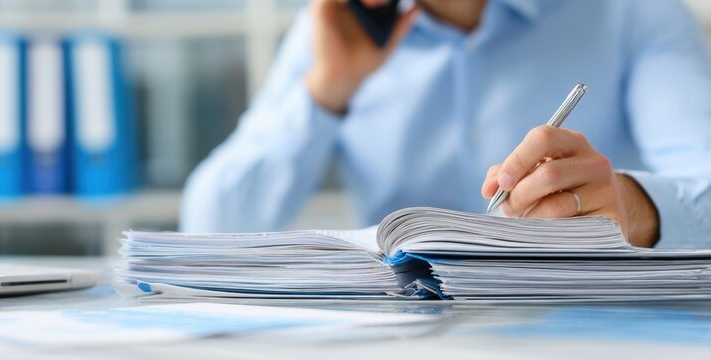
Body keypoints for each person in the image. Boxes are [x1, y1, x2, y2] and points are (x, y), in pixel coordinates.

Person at [180, 0, 711, 249]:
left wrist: (630, 206)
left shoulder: (635, 12)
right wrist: (325, 93)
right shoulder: (331, 30)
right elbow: (206, 228)